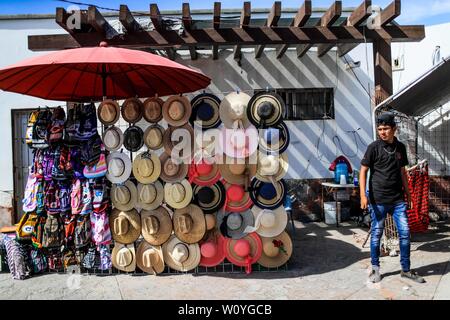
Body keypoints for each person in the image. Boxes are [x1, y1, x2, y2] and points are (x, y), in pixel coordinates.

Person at [359, 112, 425, 283]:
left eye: (386, 128)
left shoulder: (401, 148)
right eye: (380, 129)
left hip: (397, 200)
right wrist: (362, 195)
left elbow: (403, 172)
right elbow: (363, 171)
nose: (382, 132)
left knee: (405, 233)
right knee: (376, 235)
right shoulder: (373, 147)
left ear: (394, 129)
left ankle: (406, 269)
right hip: (377, 200)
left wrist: (408, 194)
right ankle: (375, 270)